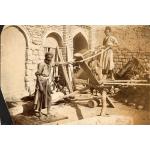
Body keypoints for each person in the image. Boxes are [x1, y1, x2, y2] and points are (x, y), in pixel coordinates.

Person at [34, 52, 54, 118]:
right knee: (40, 98)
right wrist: (40, 86)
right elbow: (37, 75)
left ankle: (48, 112)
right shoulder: (42, 64)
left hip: (47, 82)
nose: (49, 60)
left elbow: (57, 63)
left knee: (49, 97)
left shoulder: (50, 64)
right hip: (41, 82)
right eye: (48, 59)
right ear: (45, 58)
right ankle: (39, 113)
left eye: (50, 59)